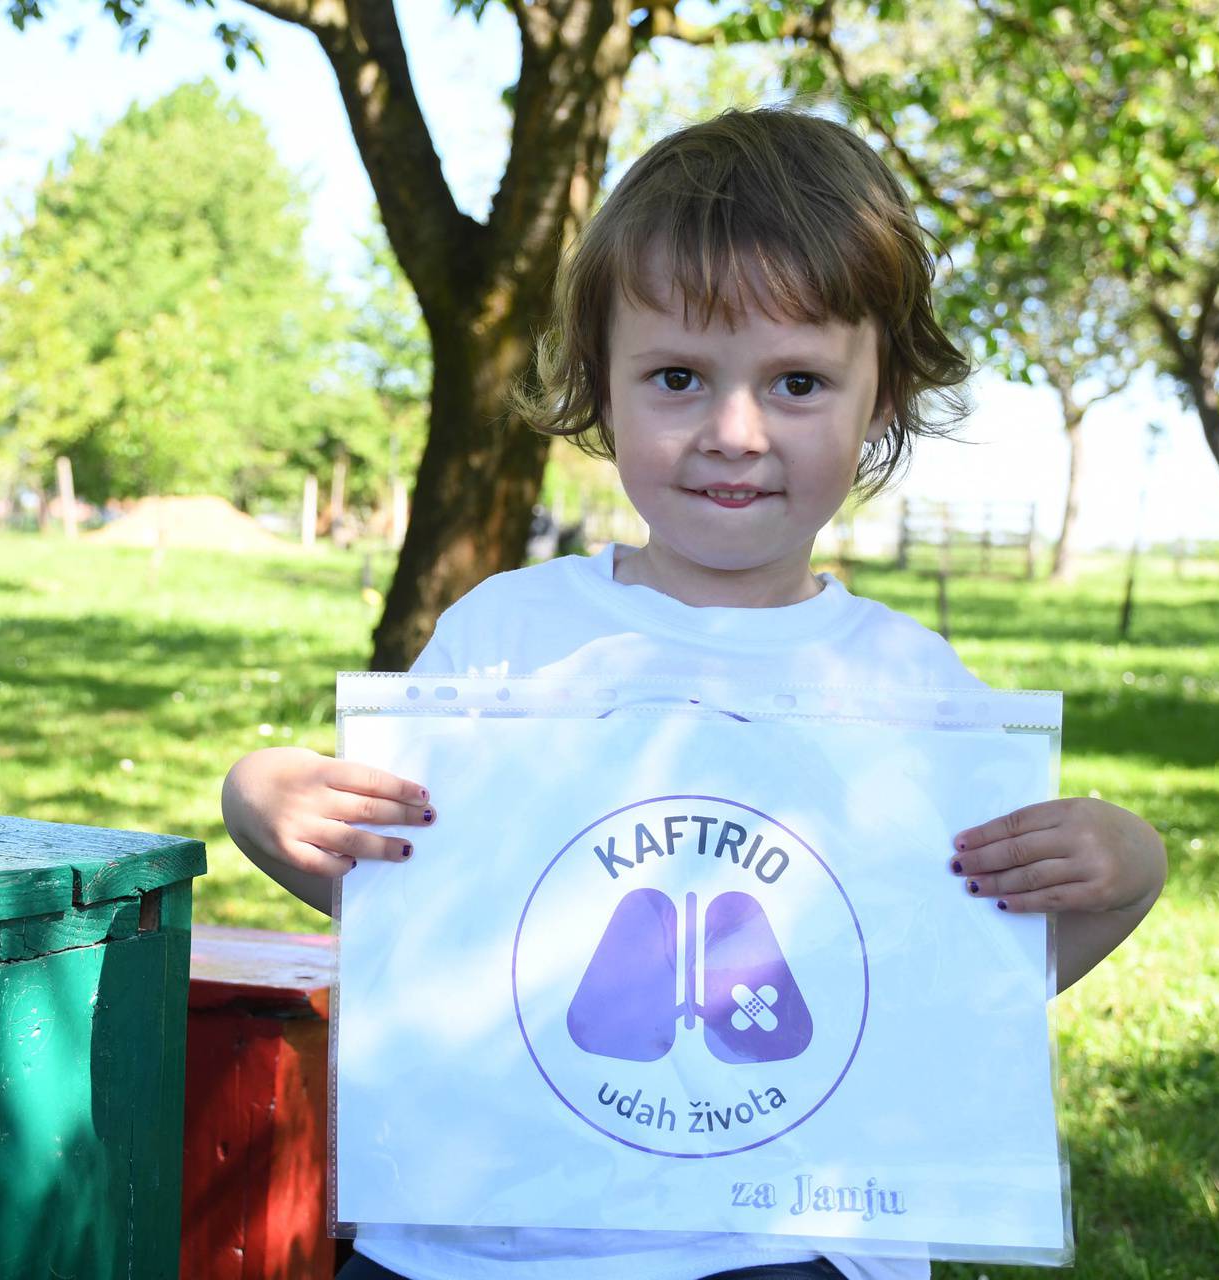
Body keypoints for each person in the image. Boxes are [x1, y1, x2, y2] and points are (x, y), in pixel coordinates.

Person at [221, 106, 1167, 1280]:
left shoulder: (907, 688)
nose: (735, 430)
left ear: (882, 398)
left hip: (793, 1242)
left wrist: (1124, 869)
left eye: (799, 382)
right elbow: (425, 903)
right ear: (599, 387)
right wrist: (265, 798)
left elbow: (941, 982)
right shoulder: (510, 637)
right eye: (678, 375)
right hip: (482, 1236)